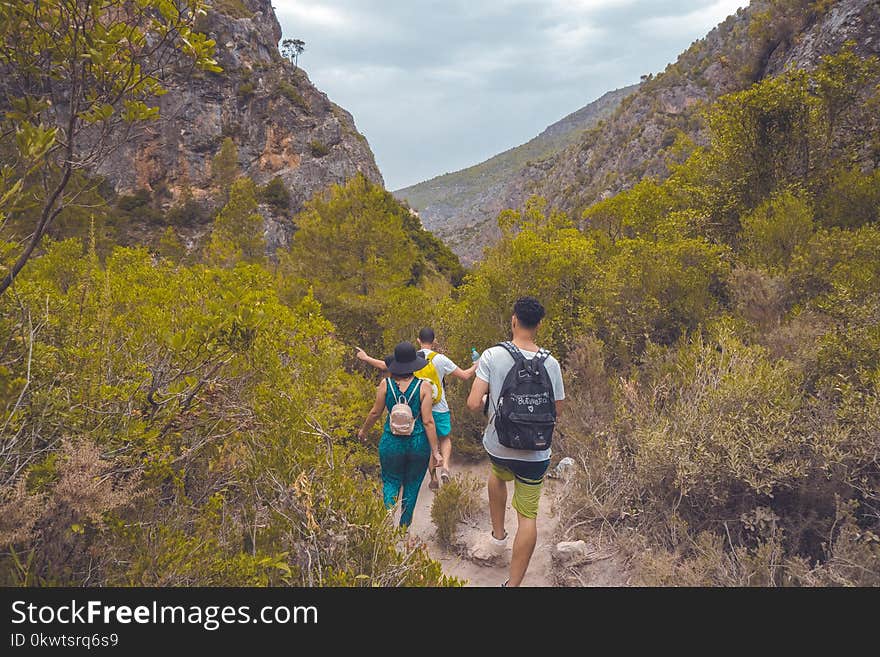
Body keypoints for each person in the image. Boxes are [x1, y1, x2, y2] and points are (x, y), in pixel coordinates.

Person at [466, 297, 565, 587]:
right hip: (536, 452)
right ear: (539, 325)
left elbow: (473, 403)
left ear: (513, 320)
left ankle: (498, 537)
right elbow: (557, 410)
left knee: (497, 476)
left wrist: (489, 401)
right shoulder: (552, 363)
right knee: (528, 516)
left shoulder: (491, 355)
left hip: (500, 446)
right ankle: (514, 584)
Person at [356, 327, 477, 490]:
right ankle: (446, 467)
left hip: (418, 408)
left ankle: (433, 478)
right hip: (440, 407)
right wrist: (477, 364)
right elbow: (465, 375)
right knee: (445, 438)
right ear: (434, 341)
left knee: (428, 441)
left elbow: (385, 365)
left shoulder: (411, 360)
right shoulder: (441, 359)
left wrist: (365, 357)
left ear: (418, 341)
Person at [357, 341, 443, 528]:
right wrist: (436, 452)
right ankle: (404, 529)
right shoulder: (424, 387)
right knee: (412, 486)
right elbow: (428, 421)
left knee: (390, 481)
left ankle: (388, 519)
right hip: (417, 443)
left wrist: (364, 431)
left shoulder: (385, 384)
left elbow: (375, 412)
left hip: (391, 441)